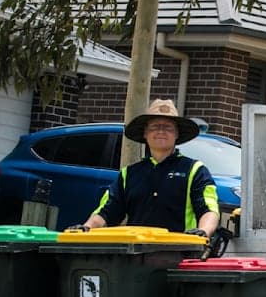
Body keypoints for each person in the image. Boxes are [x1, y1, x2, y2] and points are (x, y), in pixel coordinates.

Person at [68, 99, 219, 238]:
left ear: (177, 134)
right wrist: (86, 227)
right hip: (135, 256)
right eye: (155, 126)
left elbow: (209, 209)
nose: (161, 131)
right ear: (145, 133)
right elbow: (107, 211)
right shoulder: (129, 174)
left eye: (168, 127)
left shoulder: (195, 170)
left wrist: (203, 232)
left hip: (178, 254)